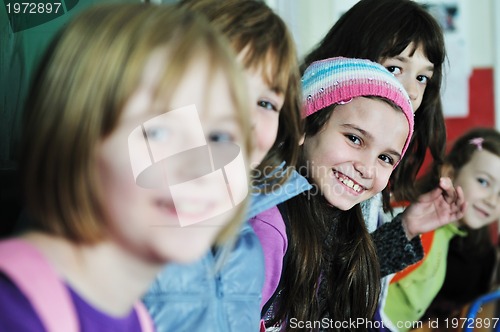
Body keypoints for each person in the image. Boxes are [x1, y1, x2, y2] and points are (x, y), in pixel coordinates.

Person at [0, 3, 253, 331]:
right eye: (159, 132)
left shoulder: (135, 317)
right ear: (73, 138)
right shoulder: (14, 310)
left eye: (219, 135)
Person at [142, 0, 308, 331]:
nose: (243, 118)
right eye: (225, 86)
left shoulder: (249, 246)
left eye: (265, 103)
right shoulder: (112, 225)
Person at [302, 0, 465, 277]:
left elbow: (335, 282)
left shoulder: (363, 169)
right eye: (394, 68)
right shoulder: (302, 179)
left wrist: (406, 228)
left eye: (423, 77)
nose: (412, 92)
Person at [253, 56, 415, 330]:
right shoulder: (267, 226)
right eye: (354, 139)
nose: (366, 168)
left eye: (386, 158)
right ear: (304, 127)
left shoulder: (350, 227)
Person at [383, 127, 500, 331]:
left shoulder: (451, 237)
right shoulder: (413, 222)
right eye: (483, 182)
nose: (492, 201)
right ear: (450, 173)